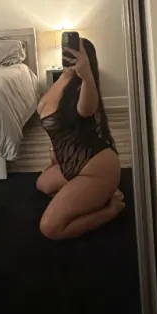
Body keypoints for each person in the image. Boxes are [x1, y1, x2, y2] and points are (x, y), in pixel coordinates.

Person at [36, 37, 124, 240]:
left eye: (75, 52)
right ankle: (98, 194)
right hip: (70, 163)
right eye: (66, 51)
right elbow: (56, 129)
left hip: (95, 168)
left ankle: (111, 208)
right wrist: (54, 155)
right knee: (42, 184)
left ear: (87, 59)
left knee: (50, 228)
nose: (69, 55)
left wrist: (86, 76)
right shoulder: (61, 80)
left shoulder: (83, 87)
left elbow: (87, 109)